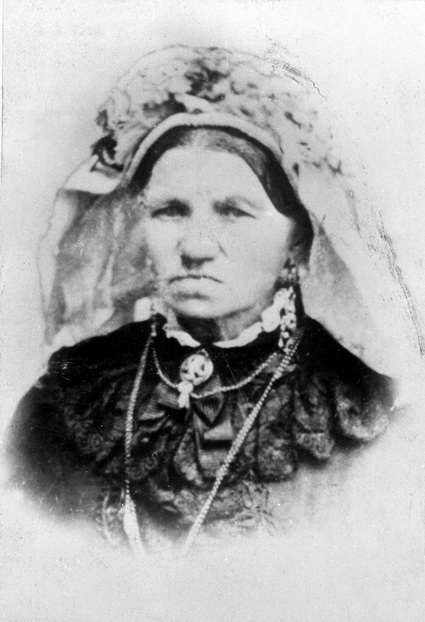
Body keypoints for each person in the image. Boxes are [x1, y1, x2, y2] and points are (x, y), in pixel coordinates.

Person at [7, 45, 419, 555]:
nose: (196, 247)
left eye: (234, 211)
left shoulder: (366, 421)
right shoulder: (65, 400)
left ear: (298, 244)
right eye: (170, 210)